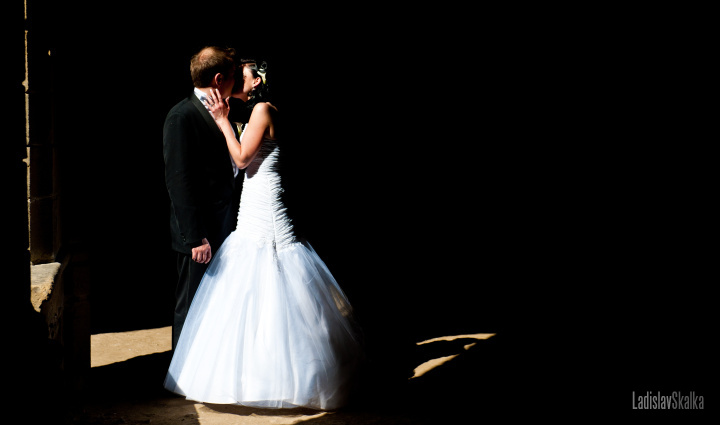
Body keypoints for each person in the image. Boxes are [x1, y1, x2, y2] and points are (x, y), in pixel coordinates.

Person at [164, 60, 363, 410]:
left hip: (266, 205)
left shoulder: (262, 110)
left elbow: (242, 159)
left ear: (257, 81)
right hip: (254, 203)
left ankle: (286, 375)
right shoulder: (257, 111)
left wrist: (222, 121)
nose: (233, 79)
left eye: (241, 75)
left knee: (272, 271)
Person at [163, 46, 239, 351]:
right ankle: (181, 371)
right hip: (201, 235)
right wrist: (195, 238)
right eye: (233, 76)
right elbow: (178, 181)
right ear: (219, 79)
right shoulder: (181, 116)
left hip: (227, 227)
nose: (236, 82)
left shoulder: (226, 112)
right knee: (192, 306)